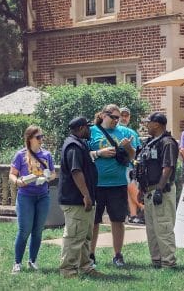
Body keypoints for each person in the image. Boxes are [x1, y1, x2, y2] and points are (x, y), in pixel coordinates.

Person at [89, 104, 135, 267]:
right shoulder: (91, 131)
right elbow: (82, 154)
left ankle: (117, 255)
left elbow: (131, 156)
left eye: (119, 117)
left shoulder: (124, 132)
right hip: (96, 184)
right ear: (103, 115)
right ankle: (90, 255)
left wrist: (128, 147)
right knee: (93, 222)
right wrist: (99, 153)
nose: (117, 120)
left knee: (118, 220)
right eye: (113, 117)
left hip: (118, 184)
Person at [9, 125, 56, 274]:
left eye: (42, 137)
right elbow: (12, 174)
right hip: (25, 197)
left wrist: (49, 177)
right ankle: (17, 263)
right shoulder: (20, 155)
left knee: (38, 230)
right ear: (30, 139)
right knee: (24, 230)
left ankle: (32, 261)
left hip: (43, 196)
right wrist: (17, 182)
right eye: (38, 137)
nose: (41, 139)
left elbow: (53, 174)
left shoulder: (47, 155)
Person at [58, 116, 100, 278]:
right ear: (82, 128)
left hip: (82, 199)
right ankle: (68, 270)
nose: (90, 130)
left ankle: (86, 267)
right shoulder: (73, 146)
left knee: (84, 236)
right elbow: (76, 172)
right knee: (74, 236)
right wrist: (86, 196)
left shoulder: (79, 144)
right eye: (88, 127)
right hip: (76, 200)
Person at [136, 112, 178, 268]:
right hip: (148, 190)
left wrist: (159, 189)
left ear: (157, 124)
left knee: (163, 226)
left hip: (162, 190)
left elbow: (167, 167)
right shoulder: (150, 142)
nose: (147, 125)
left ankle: (168, 262)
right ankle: (156, 261)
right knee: (152, 229)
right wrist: (141, 189)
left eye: (149, 122)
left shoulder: (167, 143)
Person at [119, 107, 144, 224]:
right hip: (122, 166)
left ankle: (134, 215)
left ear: (129, 117)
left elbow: (138, 151)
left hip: (130, 165)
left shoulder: (132, 132)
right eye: (121, 115)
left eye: (126, 116)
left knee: (131, 189)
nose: (124, 118)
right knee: (131, 188)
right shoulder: (116, 131)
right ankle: (145, 209)